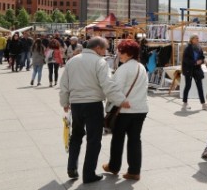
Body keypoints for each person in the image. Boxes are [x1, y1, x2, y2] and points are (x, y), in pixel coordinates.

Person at [59, 36, 128, 183]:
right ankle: (88, 173)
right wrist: (121, 100)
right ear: (98, 48)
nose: (106, 51)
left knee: (76, 136)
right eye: (105, 48)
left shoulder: (73, 60)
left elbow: (64, 84)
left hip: (76, 104)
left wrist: (64, 101)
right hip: (93, 104)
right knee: (94, 140)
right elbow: (107, 84)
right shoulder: (100, 62)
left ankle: (72, 167)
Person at [102, 40, 148, 181]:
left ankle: (114, 166)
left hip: (124, 110)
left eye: (120, 51)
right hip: (140, 109)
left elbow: (115, 89)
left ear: (128, 53)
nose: (118, 54)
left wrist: (117, 102)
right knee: (135, 139)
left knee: (118, 139)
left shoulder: (124, 68)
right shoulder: (141, 67)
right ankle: (134, 171)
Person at [181, 34, 207, 111]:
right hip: (189, 69)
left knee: (200, 86)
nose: (197, 40)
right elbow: (185, 60)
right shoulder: (188, 48)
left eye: (198, 38)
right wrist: (195, 62)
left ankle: (203, 104)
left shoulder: (199, 48)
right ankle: (185, 103)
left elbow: (202, 57)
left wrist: (201, 61)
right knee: (188, 86)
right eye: (196, 38)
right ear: (192, 39)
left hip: (197, 69)